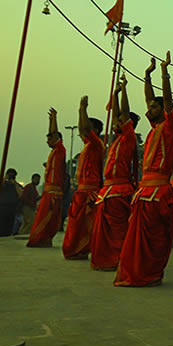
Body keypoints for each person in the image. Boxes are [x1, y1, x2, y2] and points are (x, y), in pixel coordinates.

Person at [114, 53, 173, 287]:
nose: (148, 110)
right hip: (144, 192)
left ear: (164, 110)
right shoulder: (155, 128)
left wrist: (163, 72)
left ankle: (150, 274)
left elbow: (168, 101)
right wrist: (146, 76)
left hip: (159, 192)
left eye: (153, 107)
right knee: (138, 240)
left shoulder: (171, 125)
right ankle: (138, 273)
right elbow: (149, 98)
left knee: (155, 238)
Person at [91, 77, 140, 271]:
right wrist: (115, 94)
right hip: (108, 188)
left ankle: (118, 259)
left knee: (117, 230)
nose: (115, 123)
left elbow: (124, 113)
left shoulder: (129, 137)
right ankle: (104, 260)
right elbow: (117, 113)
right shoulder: (118, 139)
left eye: (120, 121)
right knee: (104, 231)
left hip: (119, 189)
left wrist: (124, 90)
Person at [62, 98, 105, 260]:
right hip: (81, 190)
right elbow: (82, 130)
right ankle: (76, 249)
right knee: (76, 224)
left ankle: (82, 249)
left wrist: (82, 110)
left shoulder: (96, 144)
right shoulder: (88, 144)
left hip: (90, 191)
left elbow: (84, 129)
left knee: (85, 224)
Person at [27, 108, 67, 247]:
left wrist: (54, 119)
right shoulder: (54, 153)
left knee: (47, 218)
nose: (47, 141)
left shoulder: (60, 150)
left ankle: (42, 239)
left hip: (53, 193)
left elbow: (54, 134)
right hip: (48, 191)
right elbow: (52, 134)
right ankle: (42, 239)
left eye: (49, 139)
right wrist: (50, 120)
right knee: (44, 217)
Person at [0, 168, 23, 237]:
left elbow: (21, 194)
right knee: (1, 226)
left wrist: (15, 184)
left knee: (9, 227)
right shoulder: (3, 184)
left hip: (12, 208)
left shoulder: (16, 185)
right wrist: (4, 179)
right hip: (3, 207)